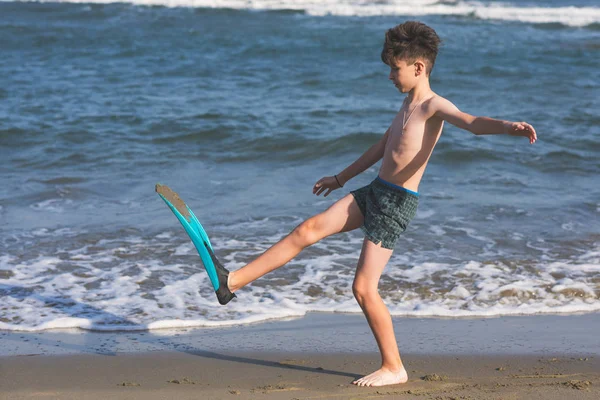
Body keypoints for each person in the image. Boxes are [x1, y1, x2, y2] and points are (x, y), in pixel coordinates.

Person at [213, 20, 537, 387]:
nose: (390, 76)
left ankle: (394, 367)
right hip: (376, 190)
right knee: (308, 229)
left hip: (397, 203)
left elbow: (473, 123)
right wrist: (341, 178)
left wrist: (509, 126)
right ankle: (232, 282)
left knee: (363, 288)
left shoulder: (434, 106)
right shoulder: (405, 104)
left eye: (394, 69)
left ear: (418, 67)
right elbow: (384, 146)